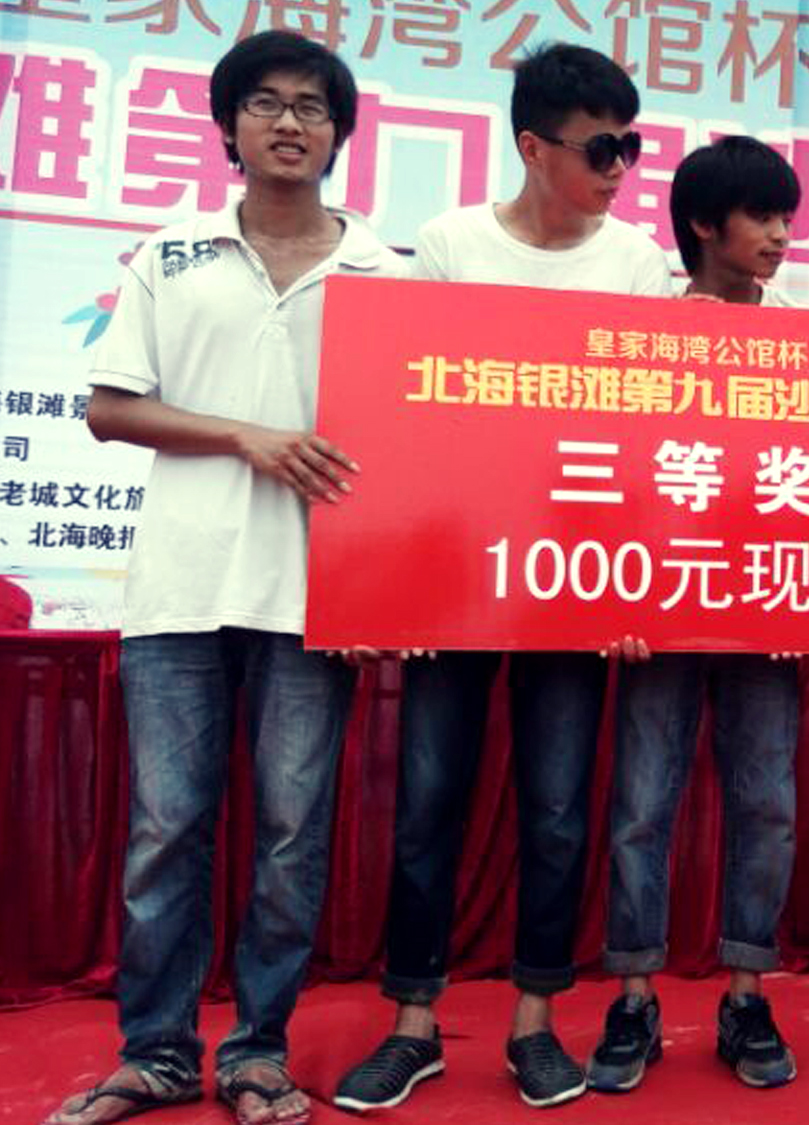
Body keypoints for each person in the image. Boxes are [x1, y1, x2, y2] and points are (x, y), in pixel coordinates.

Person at [46, 30, 402, 1125]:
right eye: (265, 103)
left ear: (340, 132)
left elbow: (410, 448)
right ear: (228, 127)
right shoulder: (170, 254)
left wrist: (386, 591)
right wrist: (249, 437)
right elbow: (111, 409)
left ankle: (257, 1054)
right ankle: (154, 1052)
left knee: (294, 837)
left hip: (316, 595)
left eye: (312, 106)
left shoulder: (387, 273)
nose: (289, 122)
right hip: (181, 586)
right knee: (166, 831)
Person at [333, 43, 667, 1113]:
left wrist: (630, 591)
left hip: (576, 578)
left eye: (631, 146)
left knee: (559, 810)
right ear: (532, 145)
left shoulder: (636, 262)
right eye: (602, 148)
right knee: (428, 801)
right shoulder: (449, 244)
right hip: (455, 578)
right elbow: (412, 417)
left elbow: (646, 438)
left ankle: (535, 1022)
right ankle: (413, 1025)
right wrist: (398, 583)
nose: (620, 169)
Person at [587, 134, 804, 1096]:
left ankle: (746, 994)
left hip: (769, 605)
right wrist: (617, 595)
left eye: (787, 217)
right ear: (705, 225)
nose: (780, 235)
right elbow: (606, 475)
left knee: (768, 804)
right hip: (660, 607)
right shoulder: (642, 331)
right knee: (642, 805)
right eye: (762, 216)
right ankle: (633, 998)